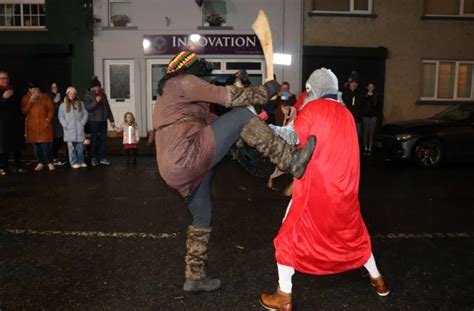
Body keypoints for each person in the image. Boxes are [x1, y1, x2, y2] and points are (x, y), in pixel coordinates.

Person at [153, 50, 315, 293]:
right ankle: (291, 162)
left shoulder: (173, 96)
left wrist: (246, 126)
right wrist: (268, 89)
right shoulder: (183, 81)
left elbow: (215, 122)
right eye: (202, 72)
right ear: (190, 68)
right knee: (240, 116)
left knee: (201, 217)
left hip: (172, 168)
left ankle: (194, 277)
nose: (204, 79)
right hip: (187, 156)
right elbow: (228, 97)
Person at [259, 68, 389, 311]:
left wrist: (260, 127)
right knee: (354, 236)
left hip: (316, 190)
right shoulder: (347, 114)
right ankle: (379, 281)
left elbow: (288, 136)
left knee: (288, 236)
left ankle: (283, 295)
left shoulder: (313, 110)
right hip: (346, 192)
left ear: (312, 89)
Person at [22, 82, 55, 171]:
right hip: (33, 126)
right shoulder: (26, 98)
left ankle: (49, 162)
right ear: (29, 90)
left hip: (44, 125)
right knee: (36, 146)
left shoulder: (45, 97)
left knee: (45, 145)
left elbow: (51, 109)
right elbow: (24, 111)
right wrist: (30, 101)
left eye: (37, 89)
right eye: (33, 89)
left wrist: (47, 120)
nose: (36, 90)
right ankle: (40, 162)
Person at [84, 76, 115, 166]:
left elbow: (107, 108)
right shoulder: (88, 95)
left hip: (103, 121)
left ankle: (103, 158)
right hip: (93, 121)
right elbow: (87, 108)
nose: (97, 88)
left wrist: (111, 120)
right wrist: (96, 101)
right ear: (92, 87)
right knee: (94, 139)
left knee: (103, 140)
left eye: (98, 87)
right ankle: (93, 157)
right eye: (95, 87)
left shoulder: (103, 95)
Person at [0, 71, 25, 175]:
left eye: (6, 78)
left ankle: (18, 166)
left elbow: (20, 106)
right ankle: (4, 168)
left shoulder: (14, 90)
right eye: (2, 78)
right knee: (4, 147)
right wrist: (3, 98)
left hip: (15, 122)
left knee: (16, 146)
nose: (5, 80)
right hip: (3, 124)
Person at [58, 87, 88, 169]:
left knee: (80, 147)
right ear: (67, 94)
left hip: (79, 130)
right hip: (69, 130)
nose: (72, 95)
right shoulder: (62, 105)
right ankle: (73, 162)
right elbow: (61, 116)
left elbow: (85, 114)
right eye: (70, 93)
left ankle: (81, 161)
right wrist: (65, 125)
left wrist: (82, 123)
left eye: (73, 93)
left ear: (75, 94)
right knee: (71, 148)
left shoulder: (80, 103)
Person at [342, 71, 364, 144]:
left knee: (358, 135)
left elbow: (361, 105)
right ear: (349, 83)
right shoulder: (345, 92)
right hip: (347, 118)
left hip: (357, 119)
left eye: (355, 83)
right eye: (352, 83)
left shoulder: (360, 92)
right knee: (347, 136)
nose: (354, 84)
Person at [48, 82, 67, 165]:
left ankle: (54, 155)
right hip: (53, 120)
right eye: (53, 87)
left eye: (56, 87)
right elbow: (49, 108)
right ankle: (53, 156)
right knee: (55, 138)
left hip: (60, 119)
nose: (55, 88)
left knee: (60, 138)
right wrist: (55, 102)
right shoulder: (48, 96)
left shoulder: (60, 95)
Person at [362, 83, 378, 156]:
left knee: (371, 133)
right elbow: (362, 106)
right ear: (367, 87)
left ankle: (370, 148)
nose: (371, 88)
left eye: (372, 86)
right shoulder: (364, 96)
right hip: (366, 116)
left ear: (373, 88)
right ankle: (365, 148)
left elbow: (378, 107)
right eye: (369, 86)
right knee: (365, 132)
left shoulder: (376, 96)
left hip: (373, 117)